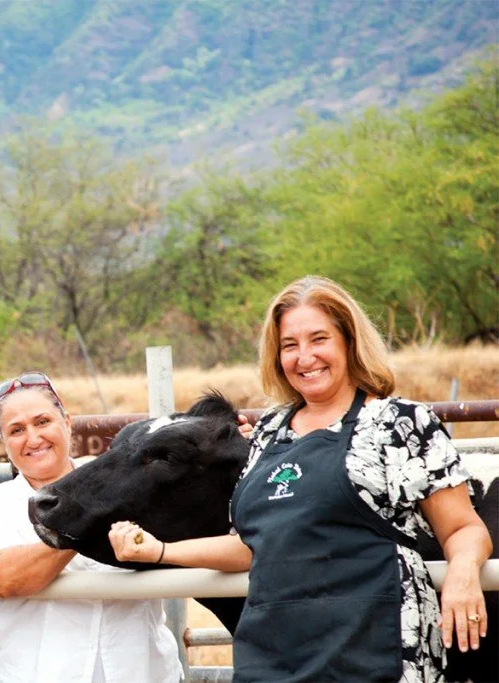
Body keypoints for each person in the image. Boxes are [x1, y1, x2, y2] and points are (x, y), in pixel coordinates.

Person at [109, 276, 491, 682]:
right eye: (290, 345)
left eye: (319, 339)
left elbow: (463, 528)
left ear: (349, 341)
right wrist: (162, 552)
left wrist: (464, 574)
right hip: (275, 656)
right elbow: (252, 546)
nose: (304, 357)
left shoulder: (401, 423)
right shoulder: (271, 431)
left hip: (374, 653)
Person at [0, 371, 183, 683]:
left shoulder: (125, 481)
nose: (33, 438)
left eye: (42, 422)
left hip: (141, 671)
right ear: (4, 441)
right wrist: (86, 521)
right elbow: (7, 579)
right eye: (16, 430)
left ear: (67, 422)